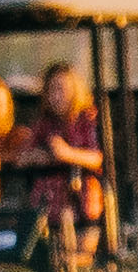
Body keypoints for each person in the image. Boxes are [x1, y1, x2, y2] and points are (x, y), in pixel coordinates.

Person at [6, 62, 104, 258]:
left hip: (82, 206)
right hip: (48, 209)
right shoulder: (44, 124)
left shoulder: (87, 119)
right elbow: (22, 158)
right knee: (54, 260)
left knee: (81, 259)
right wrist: (41, 157)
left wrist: (67, 154)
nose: (57, 96)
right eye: (51, 90)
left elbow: (96, 157)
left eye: (62, 90)